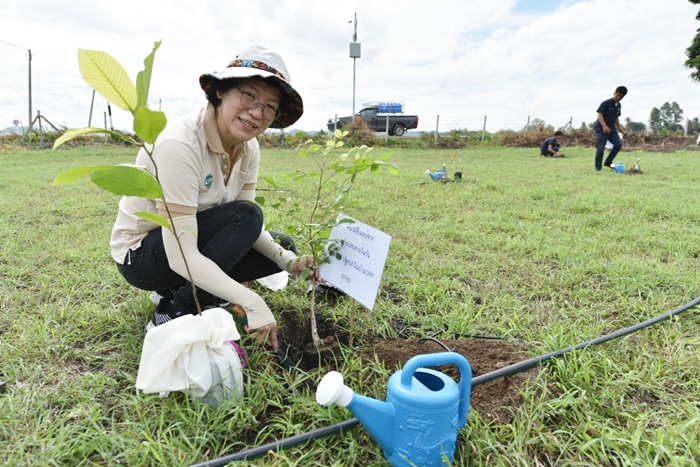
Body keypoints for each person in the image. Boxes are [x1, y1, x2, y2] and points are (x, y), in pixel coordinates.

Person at [110, 45, 317, 352]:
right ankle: (174, 310)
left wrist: (287, 261)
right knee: (247, 215)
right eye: (249, 95)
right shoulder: (180, 145)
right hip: (143, 255)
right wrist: (252, 301)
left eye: (269, 106)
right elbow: (182, 253)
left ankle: (186, 290)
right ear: (221, 90)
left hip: (190, 239)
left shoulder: (249, 147)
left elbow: (248, 227)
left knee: (281, 244)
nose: (257, 112)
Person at [594, 86, 627, 171]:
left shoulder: (618, 105)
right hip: (601, 129)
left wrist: (619, 128)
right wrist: (604, 126)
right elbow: (600, 114)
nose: (619, 97)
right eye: (617, 95)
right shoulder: (605, 103)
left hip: (612, 129)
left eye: (621, 96)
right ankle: (598, 168)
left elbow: (616, 117)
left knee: (618, 144)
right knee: (600, 148)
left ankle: (608, 162)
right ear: (614, 93)